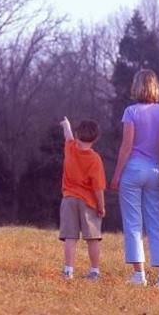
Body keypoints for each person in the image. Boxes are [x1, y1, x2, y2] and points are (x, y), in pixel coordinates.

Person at [110, 69, 159, 288]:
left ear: (137, 86)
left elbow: (126, 147)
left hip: (134, 170)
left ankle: (139, 274)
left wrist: (116, 175)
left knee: (133, 222)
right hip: (156, 170)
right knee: (156, 222)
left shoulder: (131, 112)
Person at [58, 117, 106, 281]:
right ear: (96, 138)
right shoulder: (95, 159)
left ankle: (68, 270)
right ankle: (94, 271)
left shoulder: (70, 149)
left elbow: (68, 136)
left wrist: (66, 125)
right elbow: (98, 187)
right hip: (89, 202)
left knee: (70, 237)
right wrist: (101, 206)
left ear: (77, 135)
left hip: (68, 199)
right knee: (92, 238)